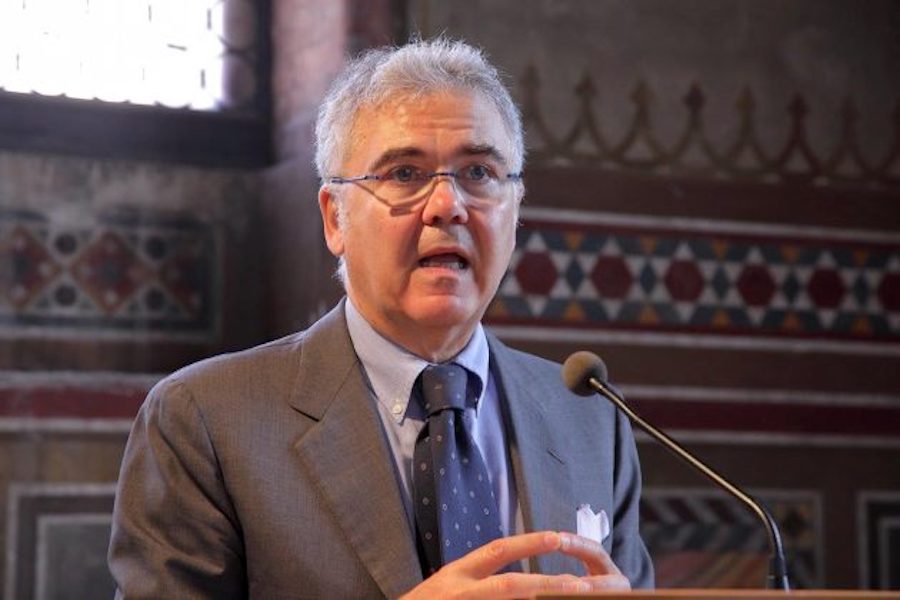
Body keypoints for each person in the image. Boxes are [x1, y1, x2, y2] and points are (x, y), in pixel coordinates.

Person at [108, 38, 654, 599]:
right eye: (404, 174)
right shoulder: (204, 420)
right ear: (335, 219)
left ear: (514, 211)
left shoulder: (589, 416)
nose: (448, 205)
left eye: (479, 172)